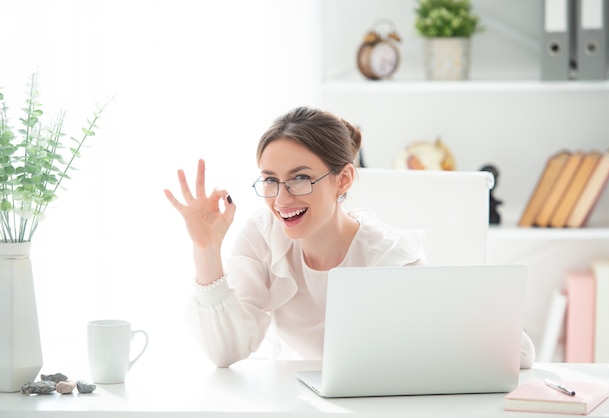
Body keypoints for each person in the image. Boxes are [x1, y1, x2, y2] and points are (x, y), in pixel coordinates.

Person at [164, 106, 535, 368]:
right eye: (271, 180)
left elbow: (519, 353)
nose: (281, 199)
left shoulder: (386, 254)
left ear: (343, 179)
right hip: (290, 403)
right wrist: (206, 249)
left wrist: (453, 311)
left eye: (300, 178)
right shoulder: (262, 236)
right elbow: (226, 351)